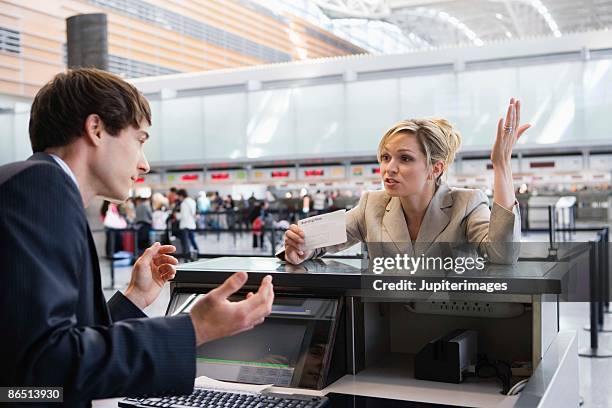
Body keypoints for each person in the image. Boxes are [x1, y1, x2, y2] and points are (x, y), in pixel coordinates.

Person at [0, 68, 274, 406]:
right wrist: (195, 329)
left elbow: (47, 350)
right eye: (140, 140)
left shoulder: (40, 187)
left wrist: (133, 298)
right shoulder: (41, 191)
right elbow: (42, 372)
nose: (144, 164)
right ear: (96, 129)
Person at [283, 99, 529, 266]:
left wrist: (501, 165)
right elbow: (313, 242)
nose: (389, 168)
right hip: (383, 324)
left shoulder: (467, 204)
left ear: (435, 168)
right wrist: (300, 248)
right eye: (386, 157)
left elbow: (503, 254)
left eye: (405, 158)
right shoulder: (371, 205)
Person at [176, 188, 199, 258]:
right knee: (192, 240)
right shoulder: (192, 201)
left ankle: (187, 257)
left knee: (185, 243)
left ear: (181, 195)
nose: (178, 198)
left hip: (185, 225)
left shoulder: (184, 203)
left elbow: (183, 216)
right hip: (192, 224)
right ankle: (197, 253)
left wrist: (176, 215)